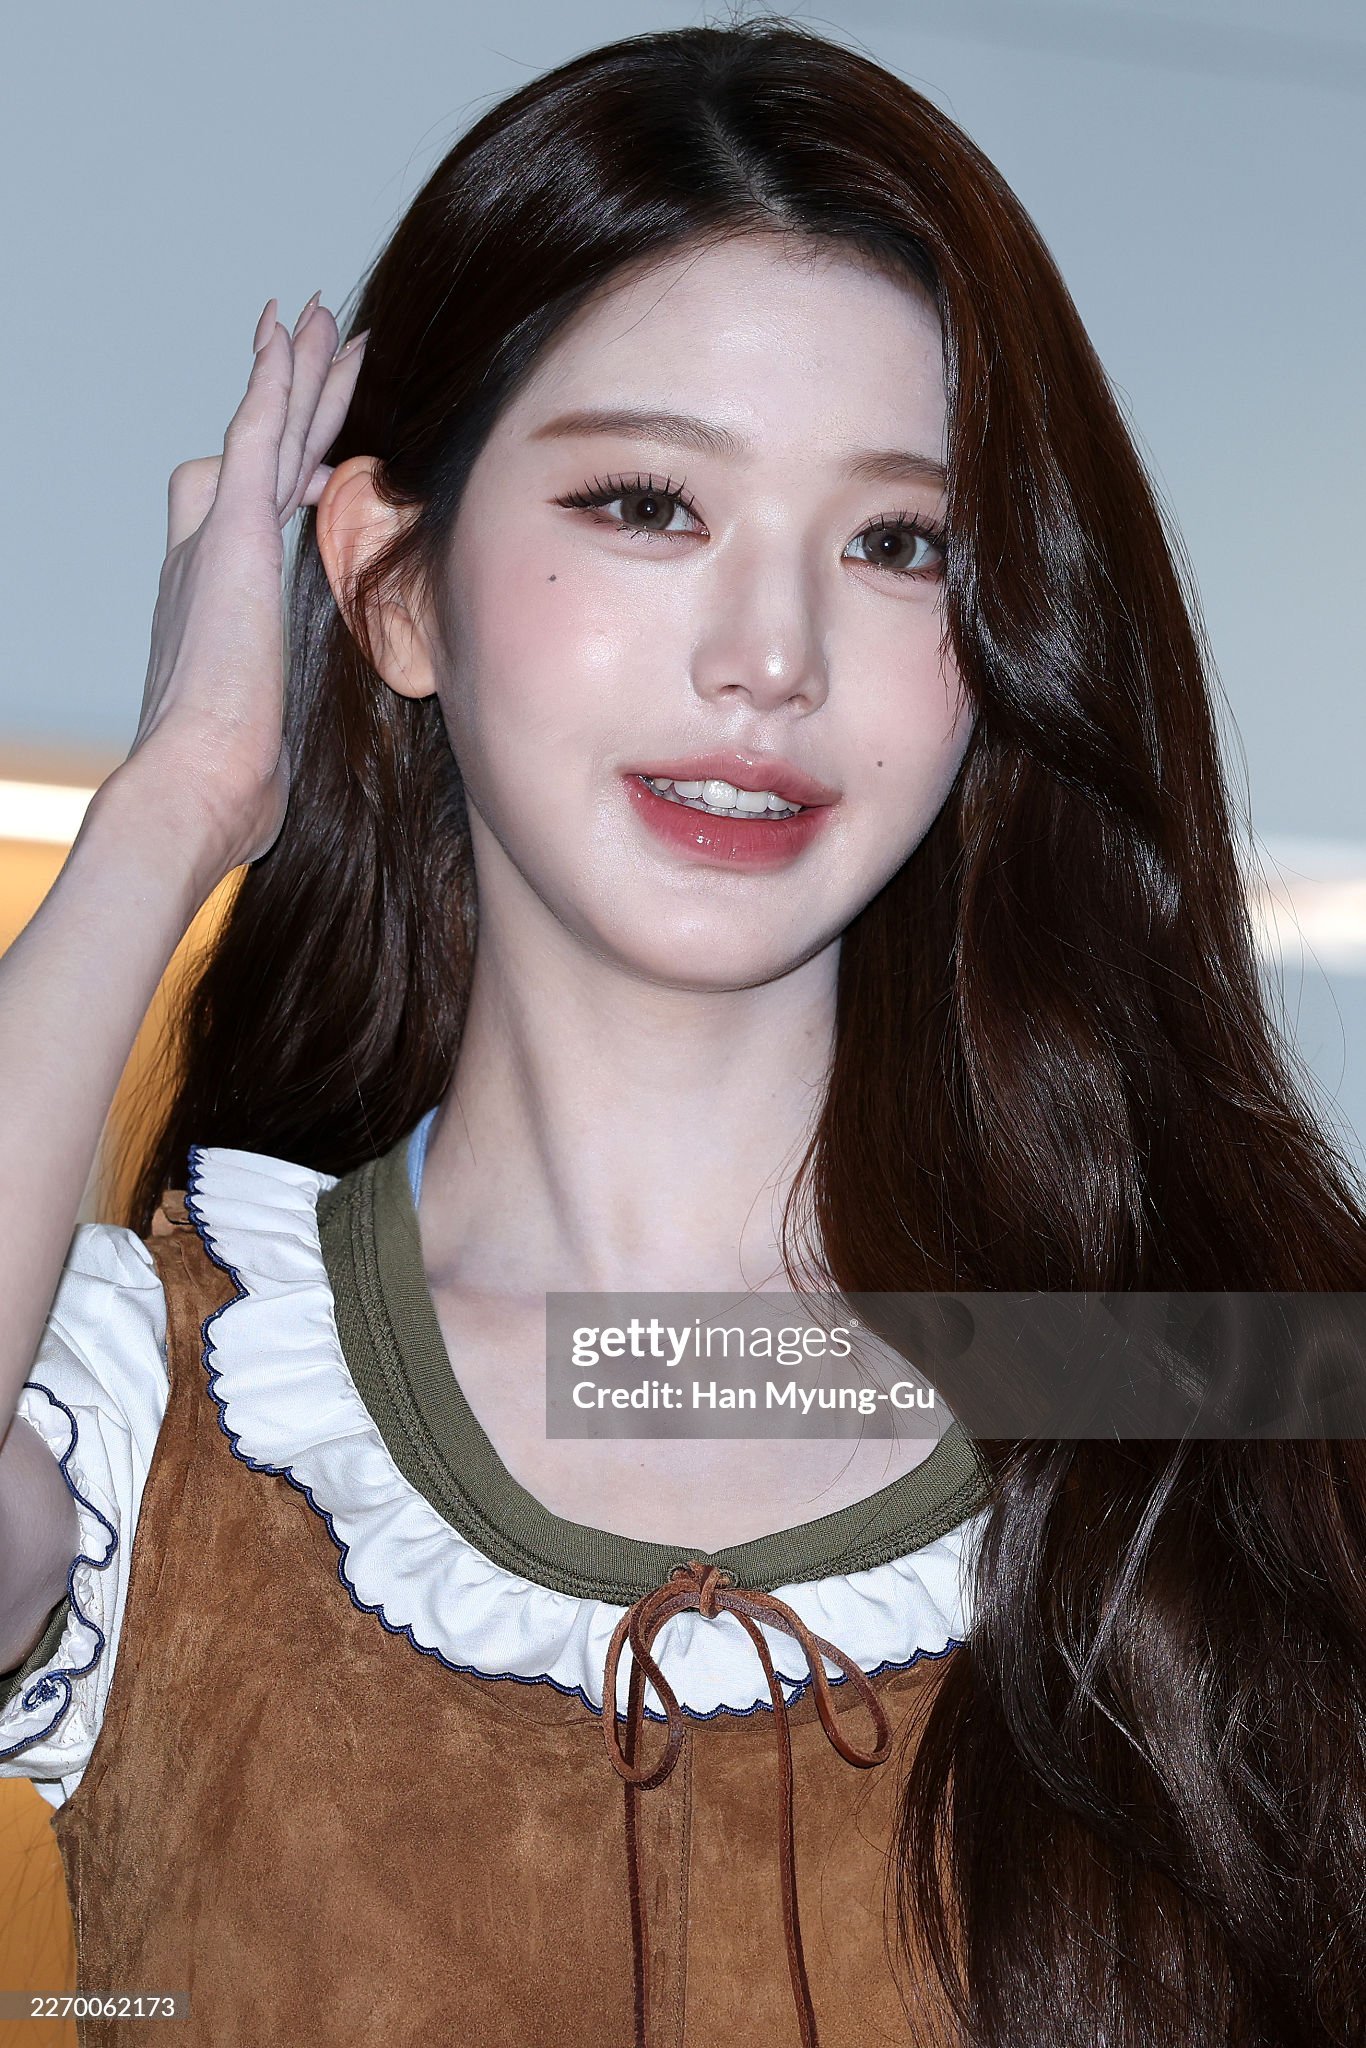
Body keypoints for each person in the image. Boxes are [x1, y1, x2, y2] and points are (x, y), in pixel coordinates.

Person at [1, 15, 1363, 2046]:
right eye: (647, 503)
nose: (769, 657)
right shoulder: (169, 1425)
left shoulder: (1240, 1398)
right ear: (395, 586)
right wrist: (178, 802)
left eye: (896, 542)